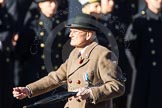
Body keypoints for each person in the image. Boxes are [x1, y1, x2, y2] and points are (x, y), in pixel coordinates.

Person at [12, 13, 125, 108]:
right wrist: (28, 89)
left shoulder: (102, 54)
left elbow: (117, 86)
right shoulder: (74, 54)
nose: (70, 35)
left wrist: (91, 93)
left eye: (75, 32)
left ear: (88, 35)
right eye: (71, 31)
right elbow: (55, 78)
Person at [14, 0, 69, 107]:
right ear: (40, 4)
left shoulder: (60, 24)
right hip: (34, 77)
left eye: (56, 2)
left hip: (53, 79)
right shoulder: (32, 25)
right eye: (49, 2)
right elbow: (21, 54)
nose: (53, 6)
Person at [78, 0, 132, 108]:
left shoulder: (104, 25)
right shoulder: (79, 28)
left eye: (99, 5)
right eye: (96, 6)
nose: (99, 9)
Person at [125, 0, 162, 108]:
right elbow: (129, 49)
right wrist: (138, 69)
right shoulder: (138, 21)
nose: (159, 1)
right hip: (142, 77)